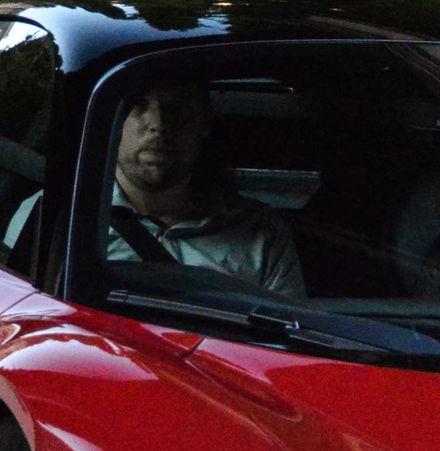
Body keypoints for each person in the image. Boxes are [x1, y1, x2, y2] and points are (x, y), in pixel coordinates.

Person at [101, 76, 306, 297]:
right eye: (138, 105)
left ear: (204, 123)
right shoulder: (77, 224)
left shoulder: (261, 234)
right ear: (113, 119)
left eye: (177, 107)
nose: (158, 124)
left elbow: (286, 326)